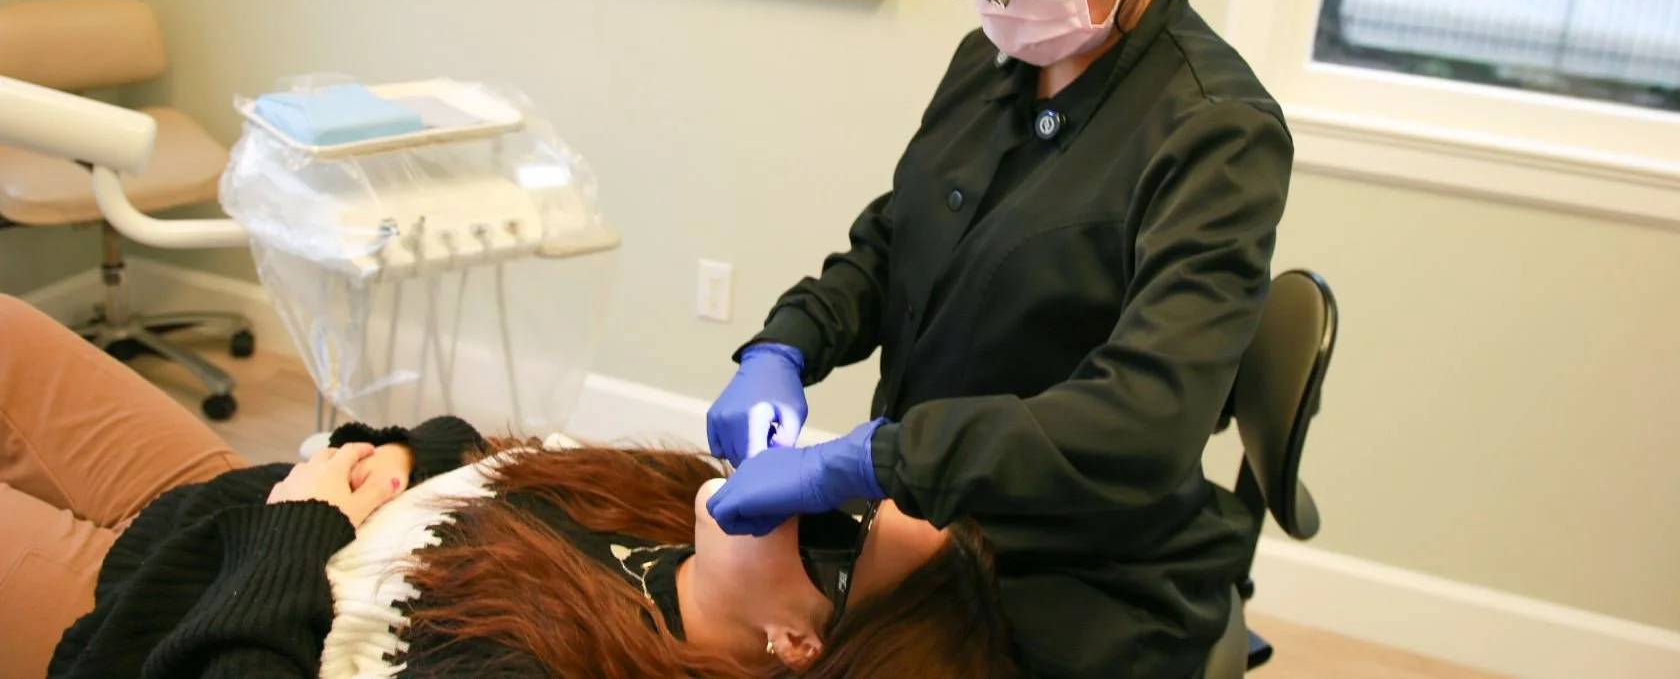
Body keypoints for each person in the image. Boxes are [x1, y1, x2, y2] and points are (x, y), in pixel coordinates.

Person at [705, 0, 1295, 679]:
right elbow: (896, 240)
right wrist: (785, 346)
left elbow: (1141, 421)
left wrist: (875, 462)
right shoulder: (997, 56)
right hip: (930, 510)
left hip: (1082, 568)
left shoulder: (1217, 134)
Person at [0, 295, 1021, 678]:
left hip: (130, 613)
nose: (800, 492)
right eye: (843, 491)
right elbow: (486, 455)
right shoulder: (666, 512)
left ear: (797, 646)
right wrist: (400, 455)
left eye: (839, 540)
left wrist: (301, 528)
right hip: (222, 501)